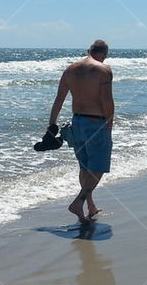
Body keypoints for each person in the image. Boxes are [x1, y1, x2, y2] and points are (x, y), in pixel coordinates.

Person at [49, 40, 114, 224]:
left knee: (85, 167)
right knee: (98, 168)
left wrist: (51, 125)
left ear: (89, 50)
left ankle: (90, 206)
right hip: (96, 123)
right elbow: (107, 101)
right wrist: (110, 123)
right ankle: (78, 203)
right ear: (104, 54)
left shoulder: (70, 70)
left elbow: (59, 99)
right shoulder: (103, 70)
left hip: (77, 122)